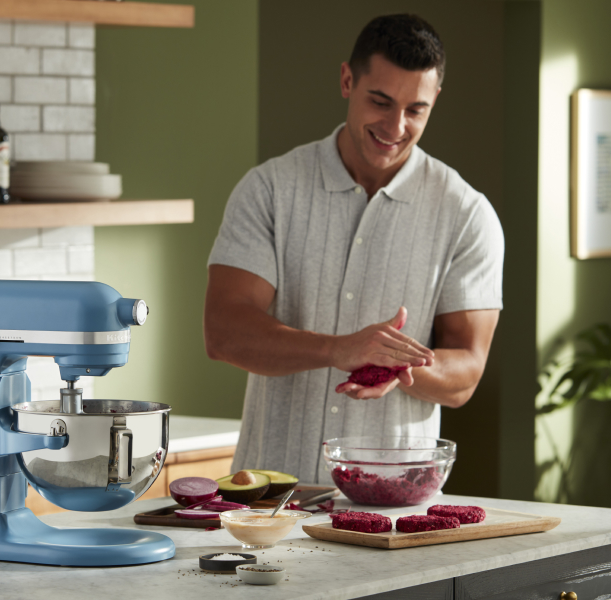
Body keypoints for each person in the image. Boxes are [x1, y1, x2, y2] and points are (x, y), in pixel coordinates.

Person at [204, 14, 504, 484]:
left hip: (393, 505)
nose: (396, 125)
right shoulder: (269, 189)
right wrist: (336, 349)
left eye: (416, 110)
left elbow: (466, 371)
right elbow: (223, 330)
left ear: (435, 102)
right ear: (347, 80)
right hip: (267, 499)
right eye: (380, 101)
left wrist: (396, 366)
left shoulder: (466, 213)